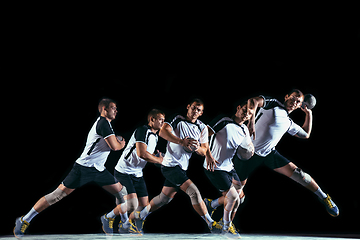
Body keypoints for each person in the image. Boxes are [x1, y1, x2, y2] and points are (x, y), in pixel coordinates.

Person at [208, 89, 339, 223]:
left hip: (269, 153)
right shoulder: (273, 104)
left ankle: (324, 197)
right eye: (293, 98)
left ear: (300, 105)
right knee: (238, 196)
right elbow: (252, 101)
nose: (294, 102)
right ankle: (217, 212)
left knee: (300, 174)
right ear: (286, 96)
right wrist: (251, 122)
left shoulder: (288, 122)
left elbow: (306, 134)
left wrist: (309, 114)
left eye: (298, 102)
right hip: (248, 154)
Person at [14, 98, 127, 239]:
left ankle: (121, 222)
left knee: (122, 192)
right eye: (113, 108)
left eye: (116, 108)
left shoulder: (107, 125)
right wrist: (121, 142)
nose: (116, 110)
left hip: (99, 170)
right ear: (104, 109)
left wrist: (117, 140)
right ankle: (24, 220)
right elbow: (115, 147)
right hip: (83, 169)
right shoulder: (103, 123)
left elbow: (109, 143)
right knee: (56, 196)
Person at [137, 99, 222, 233]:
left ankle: (139, 216)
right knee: (193, 192)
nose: (195, 111)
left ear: (201, 113)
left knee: (163, 199)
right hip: (170, 165)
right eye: (193, 108)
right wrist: (182, 142)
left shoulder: (202, 127)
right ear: (188, 107)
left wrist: (196, 147)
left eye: (198, 110)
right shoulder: (178, 119)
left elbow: (204, 150)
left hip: (182, 167)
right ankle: (211, 224)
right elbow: (163, 132)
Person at [101, 109, 165, 234]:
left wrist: (157, 157)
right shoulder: (142, 130)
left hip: (137, 173)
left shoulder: (155, 137)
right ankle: (107, 217)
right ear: (152, 119)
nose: (163, 122)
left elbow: (147, 155)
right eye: (160, 120)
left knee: (144, 205)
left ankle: (126, 225)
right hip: (124, 171)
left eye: (164, 120)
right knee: (131, 204)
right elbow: (142, 153)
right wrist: (159, 160)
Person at [203, 100, 255, 238]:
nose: (246, 114)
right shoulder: (224, 121)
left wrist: (250, 150)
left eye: (249, 114)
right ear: (238, 107)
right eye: (244, 110)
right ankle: (226, 228)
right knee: (232, 197)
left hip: (229, 167)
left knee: (240, 198)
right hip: (214, 166)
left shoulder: (244, 130)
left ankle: (212, 204)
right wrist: (207, 154)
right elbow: (203, 134)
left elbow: (248, 148)